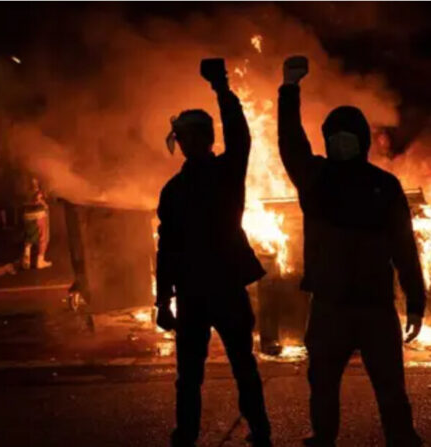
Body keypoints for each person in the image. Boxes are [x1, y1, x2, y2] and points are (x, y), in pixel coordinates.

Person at [277, 55, 426, 447]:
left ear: (360, 141)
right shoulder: (317, 178)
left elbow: (404, 249)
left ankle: (402, 438)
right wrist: (289, 89)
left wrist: (416, 301)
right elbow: (291, 144)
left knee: (390, 387)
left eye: (347, 136)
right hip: (331, 307)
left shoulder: (383, 186)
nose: (339, 142)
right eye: (334, 136)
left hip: (374, 307)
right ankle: (323, 438)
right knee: (322, 384)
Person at [155, 58, 271, 447]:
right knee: (240, 366)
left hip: (198, 293)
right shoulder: (223, 173)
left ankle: (187, 435)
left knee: (193, 373)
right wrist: (221, 88)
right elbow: (167, 248)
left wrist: (163, 300)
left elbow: (166, 249)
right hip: (220, 290)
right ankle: (258, 431)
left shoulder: (180, 188)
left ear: (188, 141)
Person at [21, 177, 52, 269]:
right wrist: (44, 204)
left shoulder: (24, 192)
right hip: (39, 216)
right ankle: (40, 261)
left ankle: (26, 260)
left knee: (29, 237)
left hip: (27, 216)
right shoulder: (39, 192)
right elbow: (38, 200)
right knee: (43, 238)